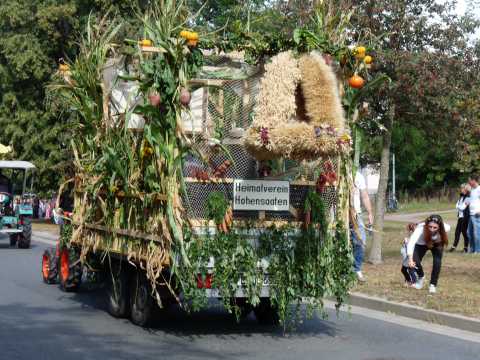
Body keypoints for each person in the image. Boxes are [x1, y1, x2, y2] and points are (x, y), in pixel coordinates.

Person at [407, 215, 450, 294]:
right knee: (415, 261)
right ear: (427, 225)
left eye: (435, 227)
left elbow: (446, 231)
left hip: (436, 244)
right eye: (430, 226)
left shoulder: (445, 227)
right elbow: (411, 242)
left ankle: (433, 285)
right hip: (421, 244)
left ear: (439, 227)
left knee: (437, 262)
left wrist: (437, 240)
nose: (432, 229)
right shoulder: (420, 228)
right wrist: (410, 259)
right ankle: (421, 278)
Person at [351, 170, 374, 282]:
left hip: (356, 214)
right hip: (339, 214)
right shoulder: (336, 172)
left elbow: (364, 196)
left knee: (360, 242)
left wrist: (370, 213)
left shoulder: (358, 176)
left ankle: (356, 269)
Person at [449, 184, 470, 253]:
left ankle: (465, 247)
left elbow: (462, 207)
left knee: (463, 232)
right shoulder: (461, 197)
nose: (461, 190)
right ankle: (455, 246)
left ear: (466, 190)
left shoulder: (468, 198)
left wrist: (458, 206)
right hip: (460, 217)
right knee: (458, 232)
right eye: (461, 188)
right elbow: (456, 205)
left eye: (462, 188)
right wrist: (458, 206)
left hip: (465, 217)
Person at [467, 174, 480, 253]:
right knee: (469, 233)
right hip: (471, 214)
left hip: (477, 215)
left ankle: (478, 250)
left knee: (477, 234)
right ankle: (472, 249)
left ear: (474, 180)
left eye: (469, 180)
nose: (468, 182)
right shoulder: (472, 190)